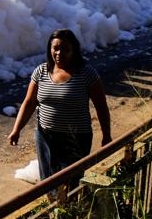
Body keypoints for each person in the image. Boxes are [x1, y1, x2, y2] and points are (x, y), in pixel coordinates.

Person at [8, 29, 112, 181]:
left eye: (66, 49)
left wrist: (106, 135)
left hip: (76, 138)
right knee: (48, 181)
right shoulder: (41, 71)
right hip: (45, 137)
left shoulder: (86, 74)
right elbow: (29, 102)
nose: (59, 53)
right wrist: (16, 129)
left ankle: (71, 204)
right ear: (50, 49)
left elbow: (101, 107)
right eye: (55, 48)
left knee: (70, 182)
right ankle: (53, 203)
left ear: (74, 50)